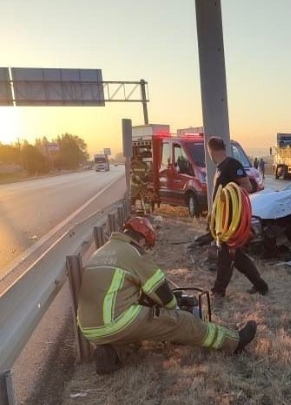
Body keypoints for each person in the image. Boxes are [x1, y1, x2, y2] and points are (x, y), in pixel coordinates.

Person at [77, 217, 257, 375]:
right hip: (118, 321)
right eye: (147, 245)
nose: (146, 249)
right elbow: (162, 291)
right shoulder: (134, 252)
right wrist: (175, 311)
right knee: (183, 322)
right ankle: (234, 342)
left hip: (89, 329)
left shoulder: (100, 252)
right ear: (140, 239)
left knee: (133, 336)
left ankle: (110, 353)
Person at [206, 137, 269, 302]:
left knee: (224, 256)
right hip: (222, 220)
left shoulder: (232, 164)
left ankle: (218, 291)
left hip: (231, 222)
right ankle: (261, 285)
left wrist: (227, 196)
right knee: (238, 258)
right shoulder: (220, 168)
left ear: (210, 151)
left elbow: (247, 187)